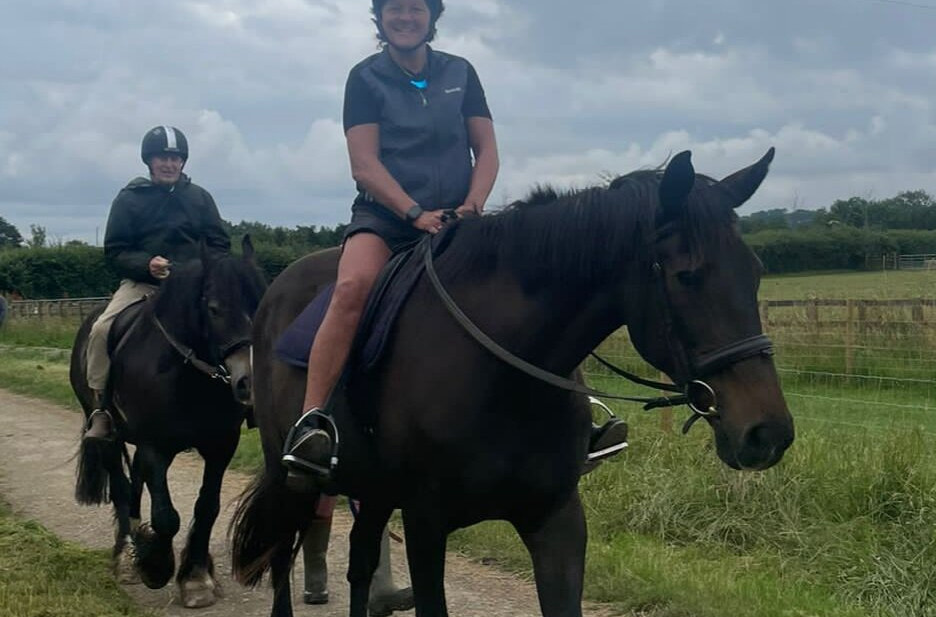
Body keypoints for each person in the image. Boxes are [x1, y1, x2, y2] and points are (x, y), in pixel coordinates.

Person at [282, 0, 626, 479]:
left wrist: (472, 205)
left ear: (432, 17)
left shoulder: (461, 72)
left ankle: (579, 419)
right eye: (394, 9)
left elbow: (485, 149)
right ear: (380, 19)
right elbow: (365, 164)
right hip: (387, 219)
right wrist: (413, 212)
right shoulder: (365, 77)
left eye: (415, 8)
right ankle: (313, 420)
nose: (405, 17)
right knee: (351, 290)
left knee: (532, 295)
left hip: (459, 217)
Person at [83, 126, 231, 441]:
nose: (169, 164)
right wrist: (146, 265)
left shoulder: (200, 198)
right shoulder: (129, 199)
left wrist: (200, 271)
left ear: (183, 162)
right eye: (162, 157)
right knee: (100, 330)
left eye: (175, 158)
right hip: (143, 286)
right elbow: (115, 251)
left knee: (237, 325)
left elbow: (219, 244)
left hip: (194, 290)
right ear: (149, 161)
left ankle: (249, 398)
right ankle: (101, 408)